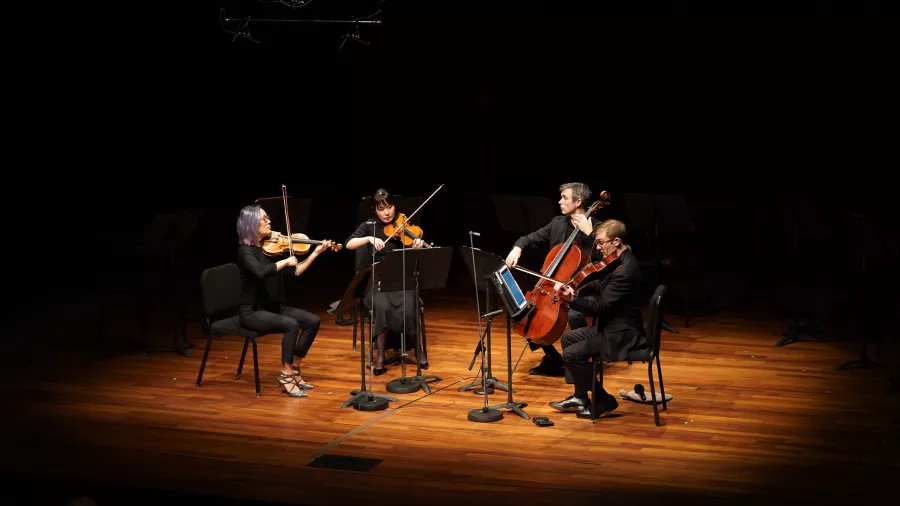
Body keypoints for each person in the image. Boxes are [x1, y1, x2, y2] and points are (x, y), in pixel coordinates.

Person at [549, 219, 646, 418]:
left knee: (571, 355)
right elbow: (602, 288)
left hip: (621, 333)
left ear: (616, 241)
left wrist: (573, 299)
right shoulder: (621, 260)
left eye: (601, 242)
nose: (599, 248)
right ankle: (580, 396)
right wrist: (578, 286)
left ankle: (603, 399)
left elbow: (600, 307)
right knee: (568, 339)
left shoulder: (625, 271)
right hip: (614, 325)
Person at [235, 204, 330, 398]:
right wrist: (285, 261)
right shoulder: (245, 252)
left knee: (313, 321)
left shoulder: (270, 249)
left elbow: (295, 271)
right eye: (264, 218)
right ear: (251, 224)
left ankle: (294, 369)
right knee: (291, 324)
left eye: (268, 217)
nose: (269, 221)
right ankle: (285, 375)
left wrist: (315, 253)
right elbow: (261, 272)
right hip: (252, 311)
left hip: (273, 307)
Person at [505, 182, 598, 377]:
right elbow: (529, 238)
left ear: (578, 201)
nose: (560, 201)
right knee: (526, 312)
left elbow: (604, 262)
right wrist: (517, 248)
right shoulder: (557, 222)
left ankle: (582, 360)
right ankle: (552, 357)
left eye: (565, 198)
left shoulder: (597, 228)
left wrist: (590, 235)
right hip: (552, 286)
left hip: (584, 287)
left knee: (574, 315)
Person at [346, 188, 426, 375]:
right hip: (379, 283)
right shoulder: (369, 226)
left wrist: (418, 246)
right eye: (382, 209)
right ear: (375, 210)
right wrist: (368, 239)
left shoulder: (403, 224)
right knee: (381, 305)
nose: (387, 212)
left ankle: (417, 349)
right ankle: (380, 355)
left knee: (410, 302)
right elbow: (348, 244)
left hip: (403, 281)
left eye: (390, 207)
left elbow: (417, 256)